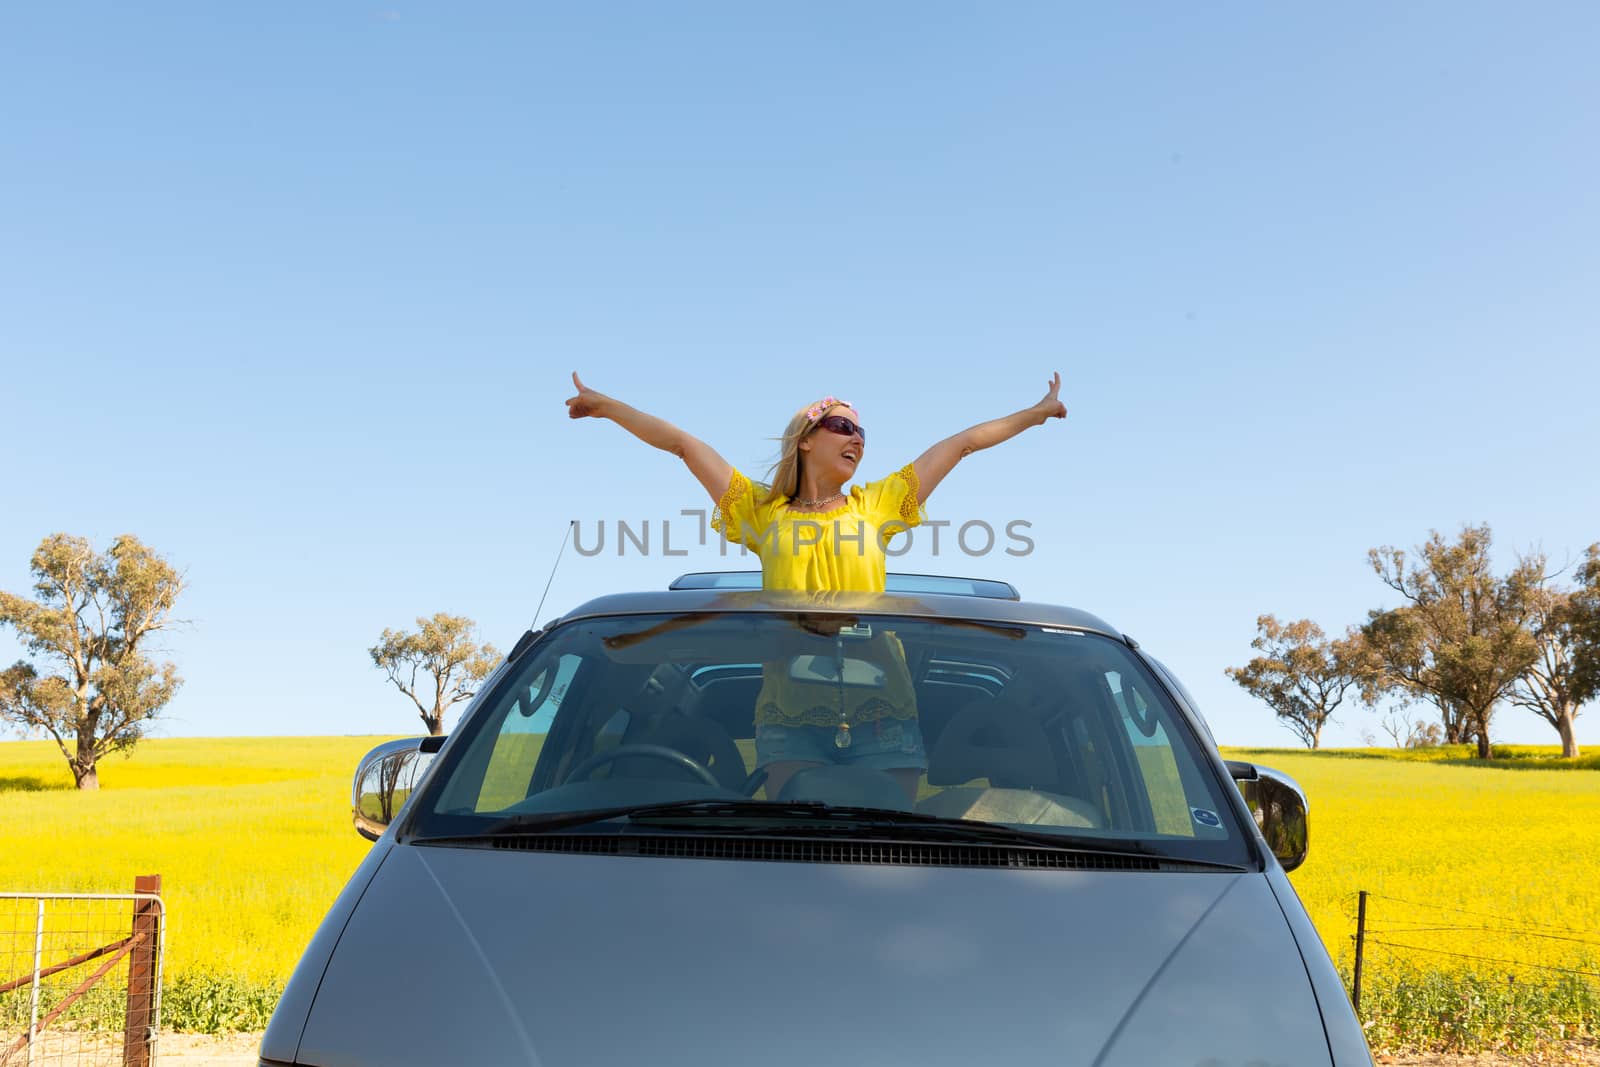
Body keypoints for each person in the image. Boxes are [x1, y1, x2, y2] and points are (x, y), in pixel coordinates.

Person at [565, 372, 1067, 800]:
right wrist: (608, 407)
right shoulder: (760, 513)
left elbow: (961, 445)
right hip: (789, 720)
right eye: (843, 426)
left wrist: (1037, 412)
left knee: (888, 854)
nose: (858, 439)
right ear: (805, 438)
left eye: (862, 432)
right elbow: (684, 445)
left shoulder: (879, 505)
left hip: (885, 716)